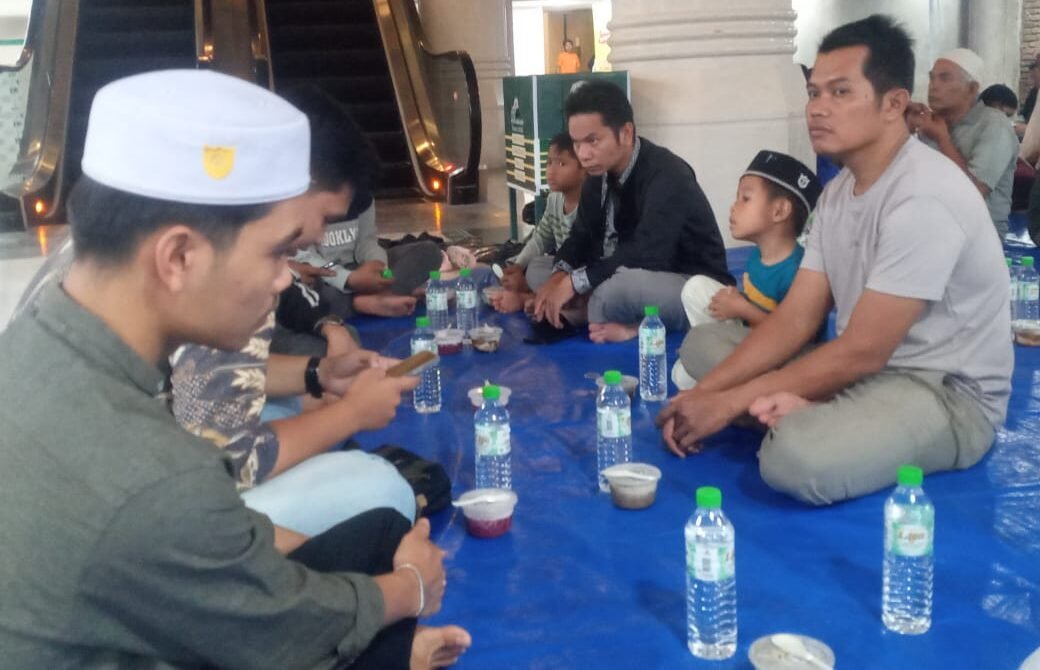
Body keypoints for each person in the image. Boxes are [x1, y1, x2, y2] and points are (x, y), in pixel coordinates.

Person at [0, 69, 470, 668]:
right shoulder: (158, 477)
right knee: (382, 500)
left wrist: (315, 376)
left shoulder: (40, 339)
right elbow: (276, 627)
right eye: (277, 252)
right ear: (179, 257)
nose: (283, 279)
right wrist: (409, 589)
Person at [657, 15, 1012, 506]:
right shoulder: (839, 192)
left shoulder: (924, 196)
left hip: (939, 391)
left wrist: (729, 402)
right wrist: (704, 396)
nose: (818, 108)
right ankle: (807, 408)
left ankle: (804, 415)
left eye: (841, 92)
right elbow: (796, 319)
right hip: (862, 372)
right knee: (703, 346)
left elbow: (865, 349)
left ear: (894, 104)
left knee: (793, 458)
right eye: (814, 92)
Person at [531, 79, 732, 343]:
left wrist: (576, 282)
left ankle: (586, 308)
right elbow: (581, 236)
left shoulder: (668, 174)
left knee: (614, 292)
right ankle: (585, 306)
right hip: (622, 269)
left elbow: (648, 254)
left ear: (626, 133)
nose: (584, 154)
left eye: (593, 140)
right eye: (577, 144)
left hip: (684, 280)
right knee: (538, 270)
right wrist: (559, 276)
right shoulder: (597, 174)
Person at [285, 86, 443, 318]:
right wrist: (348, 279)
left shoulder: (357, 195)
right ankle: (360, 303)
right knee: (309, 290)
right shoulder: (267, 247)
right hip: (328, 275)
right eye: (325, 218)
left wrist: (378, 267)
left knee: (428, 252)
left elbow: (368, 241)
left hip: (357, 270)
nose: (320, 235)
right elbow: (305, 261)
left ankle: (374, 297)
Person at [672, 150, 822, 390]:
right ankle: (712, 360)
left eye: (745, 198)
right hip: (747, 336)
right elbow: (756, 304)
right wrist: (737, 301)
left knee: (686, 373)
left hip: (781, 355)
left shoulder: (798, 270)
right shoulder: (757, 256)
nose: (734, 207)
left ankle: (721, 371)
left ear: (780, 211)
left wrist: (742, 308)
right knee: (696, 288)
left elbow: (794, 335)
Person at [908, 48, 1018, 239]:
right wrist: (902, 127)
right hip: (930, 228)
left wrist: (942, 139)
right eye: (932, 78)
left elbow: (974, 192)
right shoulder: (931, 122)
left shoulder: (994, 125)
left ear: (972, 89)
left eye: (944, 78)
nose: (933, 86)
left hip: (977, 236)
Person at [492, 132, 585, 313]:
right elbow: (541, 238)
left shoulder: (590, 205)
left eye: (562, 164)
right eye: (549, 163)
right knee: (535, 266)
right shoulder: (554, 199)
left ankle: (533, 296)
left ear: (584, 170)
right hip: (560, 269)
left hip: (583, 274)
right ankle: (538, 295)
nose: (551, 171)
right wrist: (518, 266)